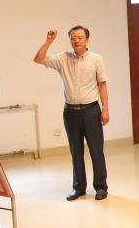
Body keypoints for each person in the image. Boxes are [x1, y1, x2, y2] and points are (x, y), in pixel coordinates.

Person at [34, 26, 109, 201]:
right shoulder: (62, 58)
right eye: (73, 38)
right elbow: (38, 59)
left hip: (91, 111)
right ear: (70, 40)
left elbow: (102, 86)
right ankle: (78, 187)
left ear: (87, 40)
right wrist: (49, 41)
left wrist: (105, 110)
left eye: (80, 37)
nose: (76, 41)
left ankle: (101, 187)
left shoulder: (97, 59)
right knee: (76, 151)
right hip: (70, 112)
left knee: (96, 150)